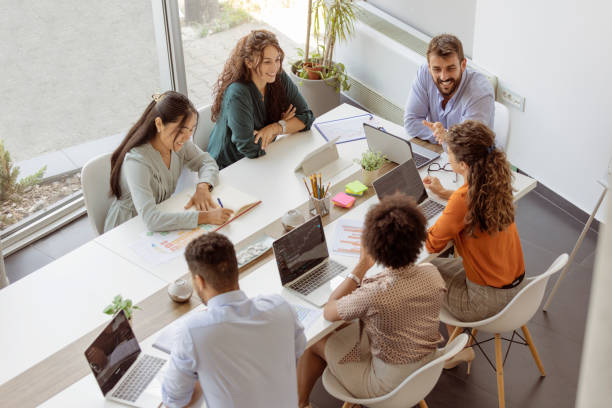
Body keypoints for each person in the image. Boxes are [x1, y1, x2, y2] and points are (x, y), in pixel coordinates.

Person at [297, 194, 446, 406]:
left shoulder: (376, 294)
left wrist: (361, 266)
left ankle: (299, 404)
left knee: (311, 341)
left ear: (375, 248)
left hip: (385, 387)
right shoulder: (432, 273)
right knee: (349, 326)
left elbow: (329, 311)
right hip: (425, 368)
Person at [161, 232, 307, 408]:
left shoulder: (194, 331)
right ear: (236, 270)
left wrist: (201, 373)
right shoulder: (281, 307)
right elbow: (297, 352)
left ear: (199, 281)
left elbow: (174, 400)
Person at [425, 120, 526, 367]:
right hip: (515, 285)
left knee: (420, 274)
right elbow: (470, 201)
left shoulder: (462, 200)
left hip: (485, 300)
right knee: (435, 268)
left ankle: (454, 347)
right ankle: (457, 345)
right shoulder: (495, 183)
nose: (446, 155)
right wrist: (446, 195)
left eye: (448, 153)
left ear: (463, 165)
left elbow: (432, 245)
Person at [104, 91, 233, 232]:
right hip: (126, 229)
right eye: (182, 130)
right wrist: (205, 217)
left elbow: (206, 162)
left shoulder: (179, 144)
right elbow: (151, 220)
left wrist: (203, 186)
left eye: (191, 129)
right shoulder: (137, 161)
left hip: (158, 222)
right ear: (159, 124)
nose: (187, 136)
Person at [207, 29, 315, 169]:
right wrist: (283, 123)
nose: (274, 68)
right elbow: (250, 147)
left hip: (261, 158)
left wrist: (274, 128)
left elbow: (306, 117)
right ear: (249, 62)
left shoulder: (279, 78)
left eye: (277, 60)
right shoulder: (238, 92)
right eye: (267, 62)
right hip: (228, 167)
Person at [404, 34, 494, 146]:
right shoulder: (424, 73)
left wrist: (446, 137)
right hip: (440, 151)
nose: (444, 77)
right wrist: (445, 138)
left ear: (463, 65)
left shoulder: (480, 91)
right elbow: (411, 122)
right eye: (436, 69)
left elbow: (468, 145)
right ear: (429, 68)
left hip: (472, 159)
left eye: (450, 68)